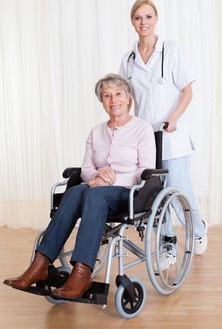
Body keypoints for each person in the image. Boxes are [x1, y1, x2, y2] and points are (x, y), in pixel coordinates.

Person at [4, 74, 156, 299]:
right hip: (95, 188)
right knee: (75, 190)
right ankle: (40, 264)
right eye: (107, 96)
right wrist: (97, 175)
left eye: (118, 94)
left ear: (128, 99)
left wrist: (109, 179)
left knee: (93, 196)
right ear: (101, 102)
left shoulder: (142, 129)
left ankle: (82, 273)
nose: (113, 100)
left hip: (129, 192)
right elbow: (86, 168)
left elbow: (145, 170)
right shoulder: (96, 132)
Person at [119, 0, 207, 264]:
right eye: (138, 18)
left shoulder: (171, 49)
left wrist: (174, 118)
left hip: (171, 135)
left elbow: (187, 91)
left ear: (155, 19)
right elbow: (126, 97)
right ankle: (168, 244)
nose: (143, 22)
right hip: (145, 138)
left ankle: (199, 229)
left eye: (148, 17)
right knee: (156, 194)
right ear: (132, 22)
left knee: (179, 190)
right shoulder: (129, 59)